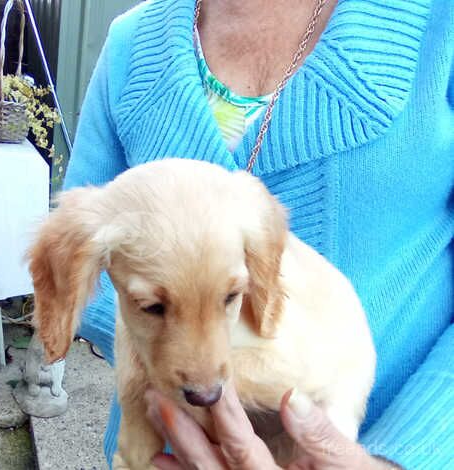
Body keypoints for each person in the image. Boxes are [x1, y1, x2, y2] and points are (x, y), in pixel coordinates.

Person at [61, 0, 453, 468]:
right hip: (161, 454)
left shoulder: (439, 21)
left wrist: (402, 456)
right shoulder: (133, 42)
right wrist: (178, 348)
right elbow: (79, 277)